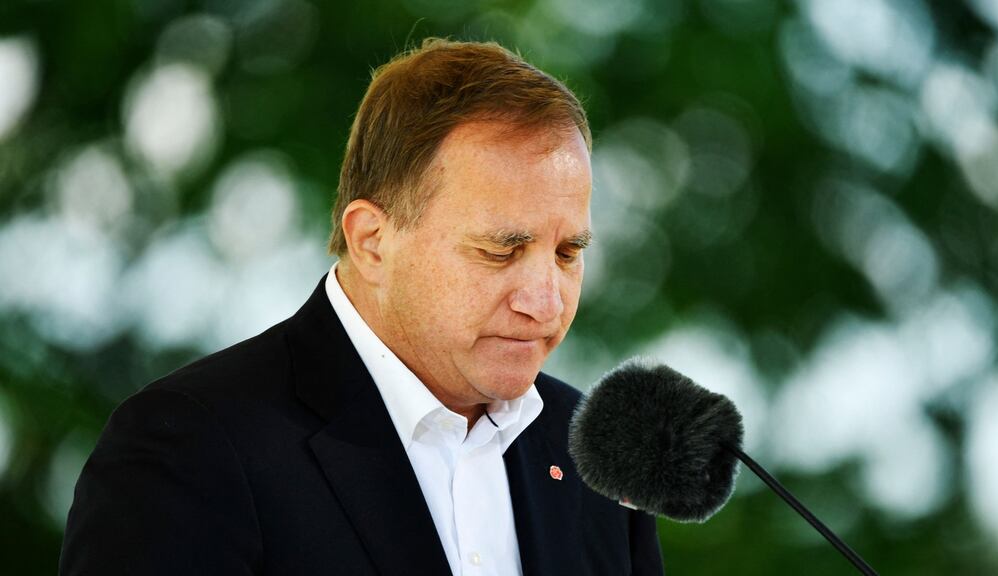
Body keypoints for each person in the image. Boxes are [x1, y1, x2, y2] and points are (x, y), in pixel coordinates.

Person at [59, 38, 663, 575]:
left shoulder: (596, 455)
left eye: (567, 252)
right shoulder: (191, 447)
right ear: (372, 241)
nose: (545, 302)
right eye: (500, 251)